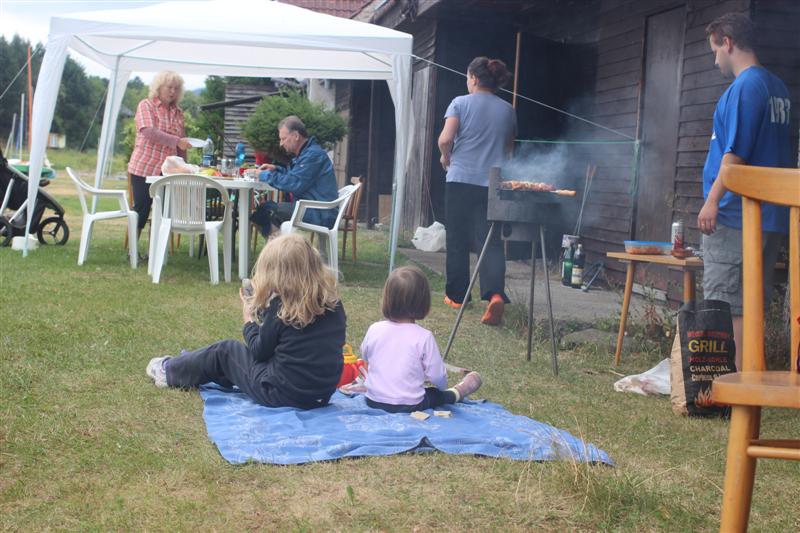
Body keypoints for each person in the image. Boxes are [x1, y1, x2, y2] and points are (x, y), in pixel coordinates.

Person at [145, 233, 347, 409]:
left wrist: (249, 320)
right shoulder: (334, 305)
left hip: (279, 394)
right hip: (320, 395)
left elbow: (259, 352)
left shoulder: (281, 308)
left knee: (225, 351)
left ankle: (168, 370)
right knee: (233, 361)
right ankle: (194, 363)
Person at [697, 13, 792, 370]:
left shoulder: (745, 87)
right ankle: (751, 377)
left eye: (714, 51)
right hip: (768, 215)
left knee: (729, 304)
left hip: (737, 215)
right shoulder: (778, 88)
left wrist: (712, 201)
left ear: (728, 42)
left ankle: (735, 381)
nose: (715, 61)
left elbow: (734, 156)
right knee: (752, 301)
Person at [437, 57, 517, 326]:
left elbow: (446, 138)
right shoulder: (508, 110)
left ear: (473, 78)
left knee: (457, 237)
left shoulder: (460, 103)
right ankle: (494, 294)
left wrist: (445, 156)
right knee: (490, 240)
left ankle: (457, 296)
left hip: (460, 179)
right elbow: (509, 150)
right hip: (492, 183)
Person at [360, 265, 482, 413]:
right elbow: (438, 377)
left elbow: (365, 356)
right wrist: (441, 386)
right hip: (409, 405)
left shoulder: (374, 329)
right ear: (423, 302)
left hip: (373, 400)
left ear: (387, 298)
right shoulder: (424, 337)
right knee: (435, 395)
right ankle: (457, 392)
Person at [127, 70, 191, 249]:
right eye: (169, 87)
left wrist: (185, 165)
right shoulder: (146, 105)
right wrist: (177, 141)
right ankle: (133, 251)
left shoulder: (178, 112)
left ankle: (154, 252)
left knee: (163, 212)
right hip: (144, 167)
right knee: (142, 208)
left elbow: (181, 142)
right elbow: (148, 131)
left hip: (168, 170)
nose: (173, 91)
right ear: (158, 87)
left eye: (176, 88)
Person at [249, 115, 338, 237]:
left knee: (267, 210)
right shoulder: (307, 153)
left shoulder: (313, 155)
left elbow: (294, 184)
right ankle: (279, 247)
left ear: (296, 136)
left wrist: (264, 174)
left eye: (283, 139)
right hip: (313, 209)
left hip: (320, 213)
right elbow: (297, 177)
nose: (281, 144)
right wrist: (276, 169)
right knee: (263, 211)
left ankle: (279, 248)